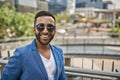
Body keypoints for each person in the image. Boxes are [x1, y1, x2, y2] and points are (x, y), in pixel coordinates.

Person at [1, 11, 66, 80]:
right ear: (34, 29)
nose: (45, 31)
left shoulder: (59, 52)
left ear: (54, 30)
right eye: (41, 27)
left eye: (50, 27)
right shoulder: (21, 55)